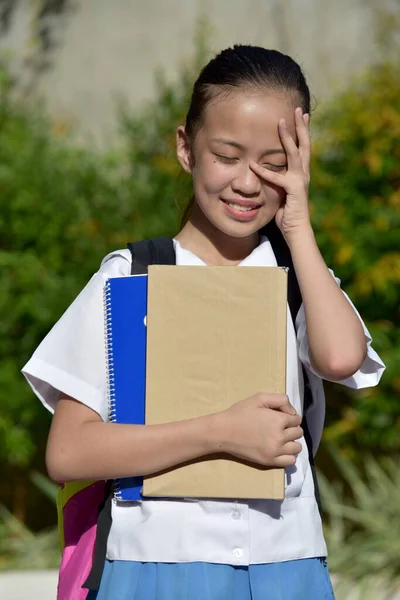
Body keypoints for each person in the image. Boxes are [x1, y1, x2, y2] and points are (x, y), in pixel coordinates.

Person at [22, 45, 385, 600]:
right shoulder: (130, 277)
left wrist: (299, 227)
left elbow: (341, 359)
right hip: (157, 566)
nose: (248, 182)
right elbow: (68, 453)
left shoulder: (298, 275)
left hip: (287, 563)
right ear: (186, 148)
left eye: (274, 161)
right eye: (228, 154)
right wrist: (221, 432)